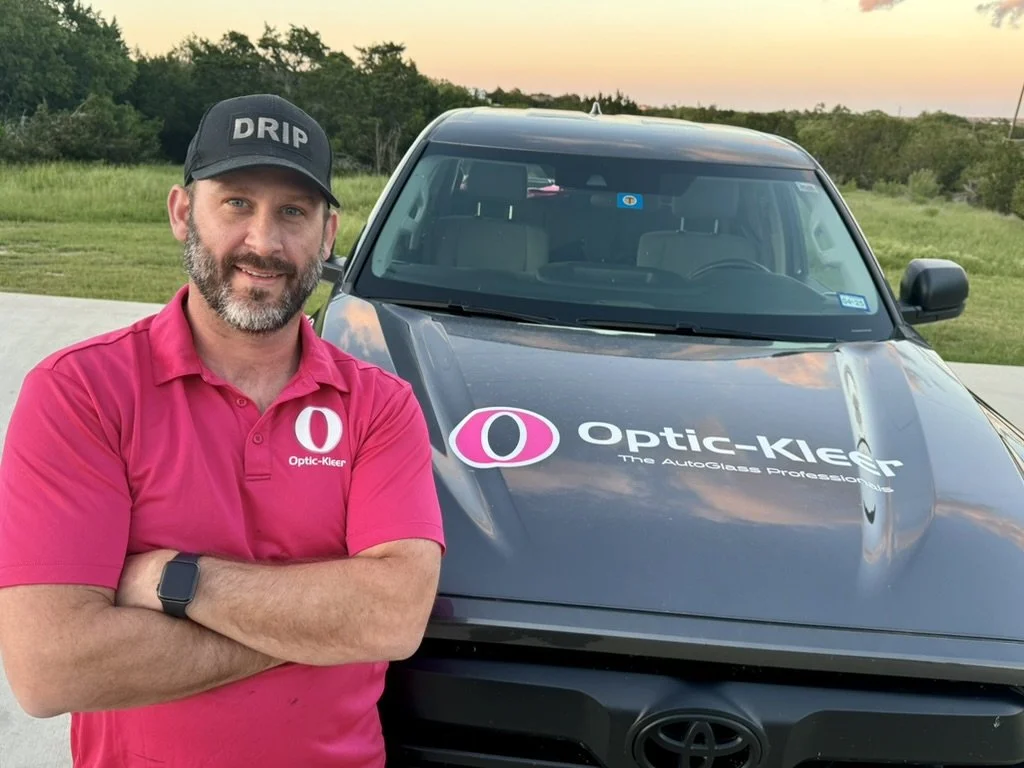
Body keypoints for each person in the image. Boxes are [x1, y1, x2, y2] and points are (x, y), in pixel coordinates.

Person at [0, 93, 445, 767]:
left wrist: (176, 582)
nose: (263, 243)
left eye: (292, 212)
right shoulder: (80, 392)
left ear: (327, 235)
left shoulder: (380, 406)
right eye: (236, 202)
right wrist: (326, 625)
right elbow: (51, 668)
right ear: (183, 214)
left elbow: (393, 616)